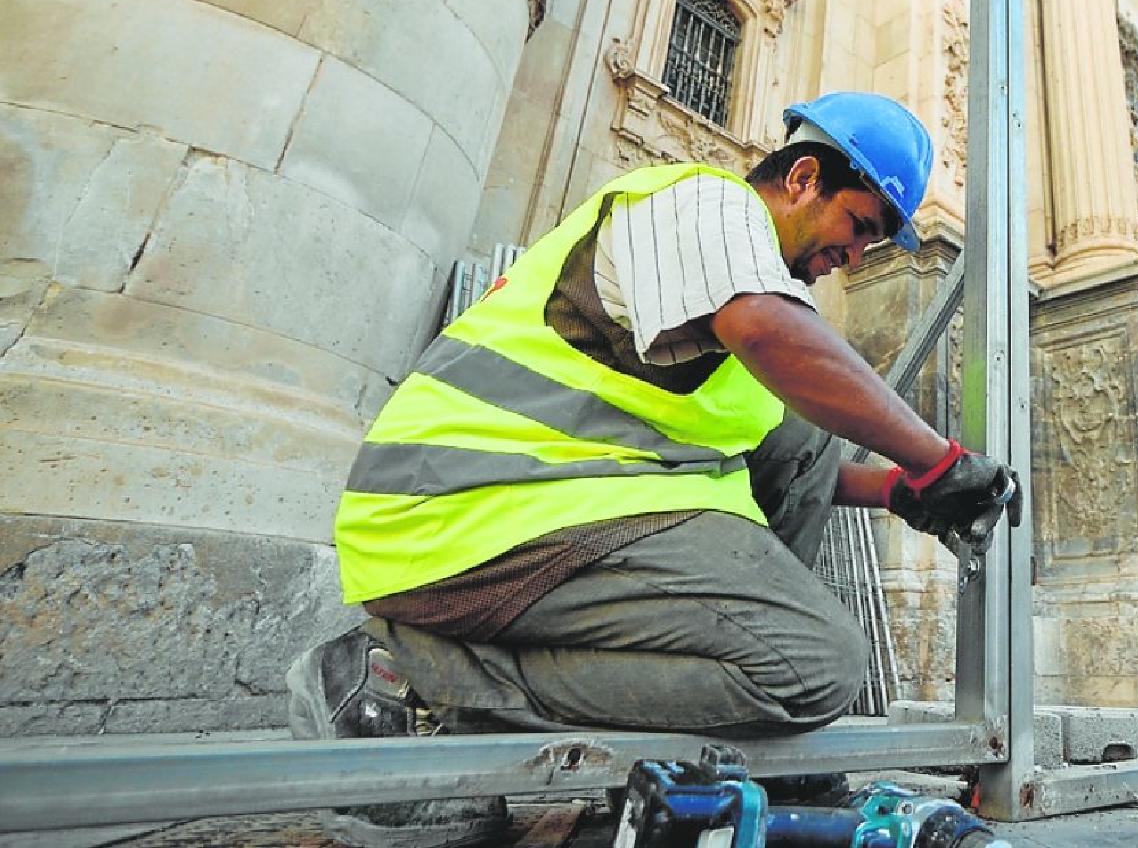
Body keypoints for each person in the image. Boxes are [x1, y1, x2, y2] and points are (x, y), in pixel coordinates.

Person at [285, 92, 1018, 848]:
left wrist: (902, 489)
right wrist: (939, 459)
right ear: (803, 178)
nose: (855, 257)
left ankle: (727, 761)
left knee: (803, 436)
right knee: (816, 667)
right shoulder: (702, 203)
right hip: (456, 510)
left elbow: (798, 464)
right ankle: (423, 681)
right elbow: (770, 330)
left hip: (556, 512)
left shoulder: (747, 307)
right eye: (858, 226)